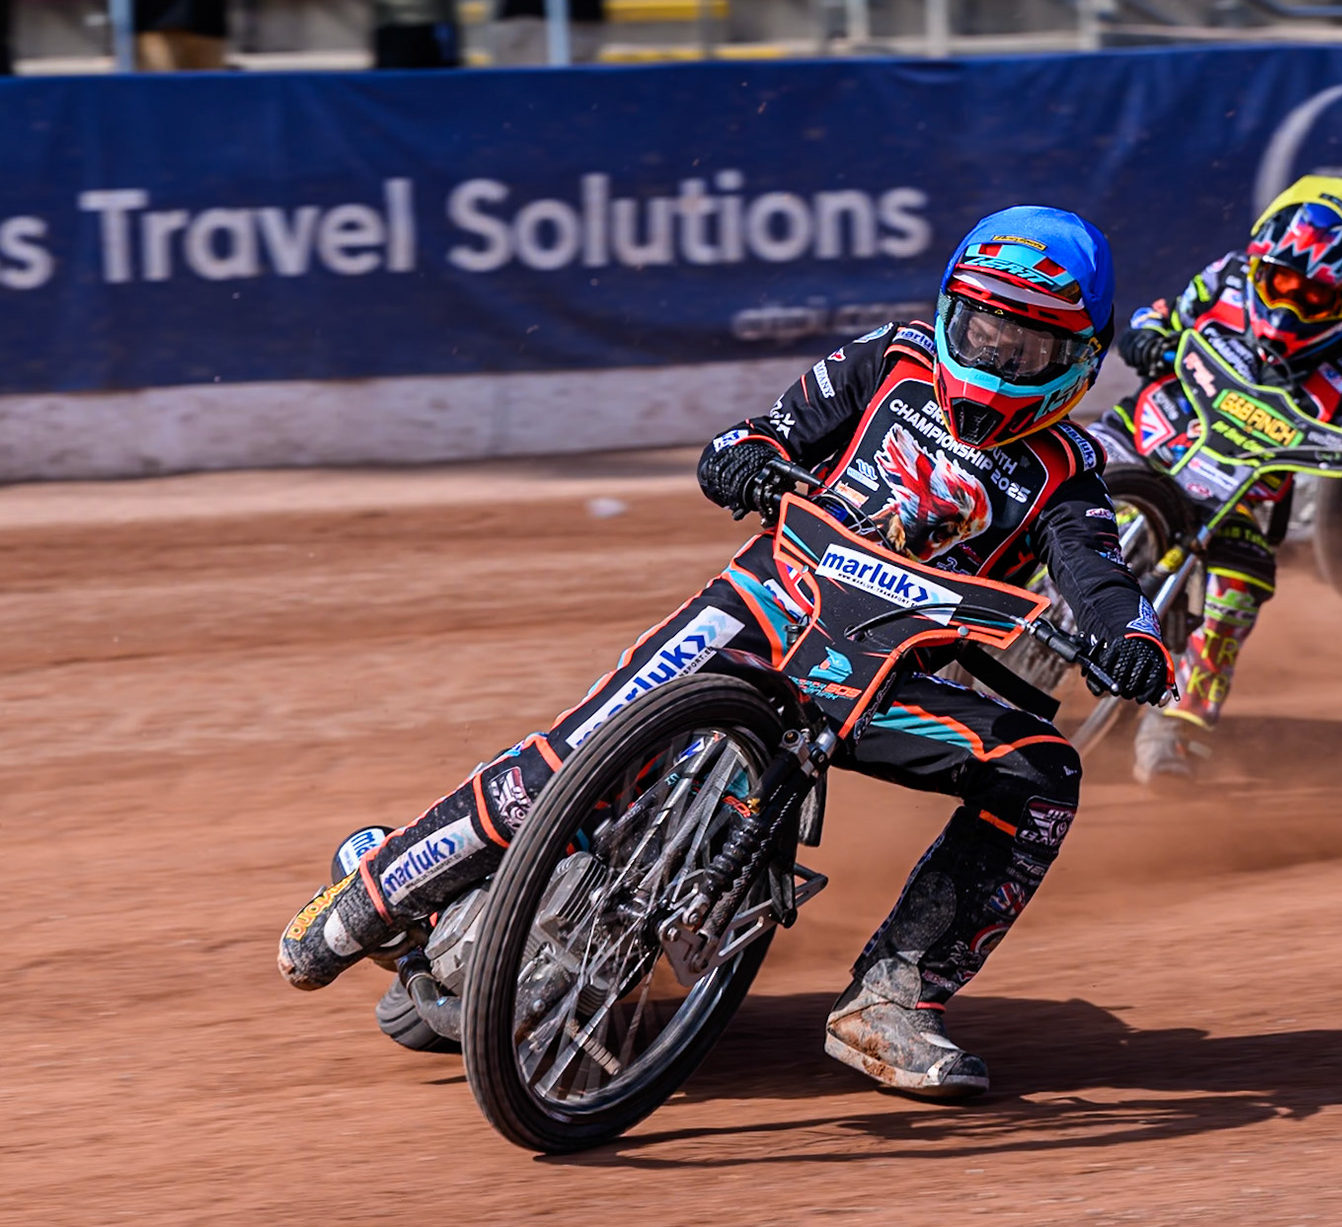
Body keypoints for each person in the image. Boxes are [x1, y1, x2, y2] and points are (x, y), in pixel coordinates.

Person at [276, 206, 1173, 1100]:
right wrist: (740, 459)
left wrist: (1129, 638)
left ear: (1079, 359)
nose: (999, 359)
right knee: (565, 753)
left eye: (1028, 347)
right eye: (985, 329)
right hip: (757, 610)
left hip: (878, 685)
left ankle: (892, 997)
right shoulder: (888, 360)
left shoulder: (1066, 473)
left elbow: (1100, 575)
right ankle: (368, 897)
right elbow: (764, 431)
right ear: (951, 310)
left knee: (1041, 769)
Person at [1088, 175, 1342, 785]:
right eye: (1281, 280)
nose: (1288, 303)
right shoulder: (1228, 277)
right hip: (1141, 440)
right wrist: (1147, 337)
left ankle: (1178, 728)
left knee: (1240, 585)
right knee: (1051, 477)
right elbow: (1160, 315)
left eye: (1312, 295)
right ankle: (953, 593)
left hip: (1238, 502)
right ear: (1261, 263)